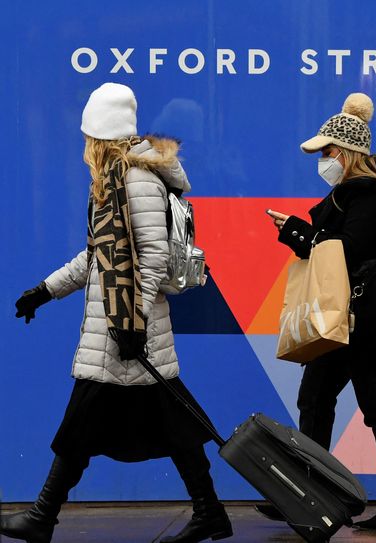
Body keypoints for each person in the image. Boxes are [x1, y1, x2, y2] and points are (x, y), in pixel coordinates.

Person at [3, 83, 232, 543]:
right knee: (172, 424)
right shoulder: (115, 180)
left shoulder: (135, 181)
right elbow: (97, 257)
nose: (84, 145)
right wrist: (45, 292)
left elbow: (151, 262)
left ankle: (44, 516)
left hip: (124, 328)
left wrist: (135, 321)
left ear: (101, 137)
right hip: (120, 326)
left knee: (84, 422)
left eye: (88, 136)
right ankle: (210, 512)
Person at [262, 92, 376, 531]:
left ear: (345, 153)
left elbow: (347, 252)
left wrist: (297, 231)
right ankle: (307, 491)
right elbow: (331, 250)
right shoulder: (347, 193)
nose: (322, 160)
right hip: (341, 315)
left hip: (364, 316)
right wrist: (297, 232)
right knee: (315, 399)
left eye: (326, 151)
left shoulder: (367, 192)